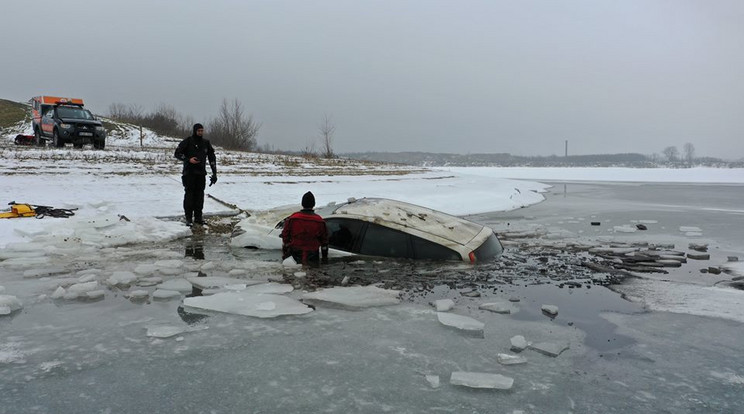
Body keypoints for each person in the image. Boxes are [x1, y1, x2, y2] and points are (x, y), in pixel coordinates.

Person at [174, 123, 217, 226]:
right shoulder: (188, 141)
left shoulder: (206, 143)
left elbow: (212, 157)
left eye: (202, 131)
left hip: (201, 174)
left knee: (199, 196)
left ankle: (198, 217)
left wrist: (214, 173)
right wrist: (189, 159)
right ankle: (188, 218)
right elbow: (177, 153)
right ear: (194, 131)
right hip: (189, 173)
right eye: (198, 131)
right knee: (189, 196)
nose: (200, 133)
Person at [281, 191, 329, 265]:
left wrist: (285, 253)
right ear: (314, 204)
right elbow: (324, 242)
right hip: (313, 255)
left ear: (302, 204)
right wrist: (324, 259)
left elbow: (285, 236)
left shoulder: (293, 219)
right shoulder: (319, 221)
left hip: (295, 253)